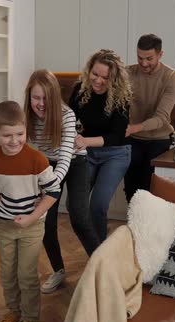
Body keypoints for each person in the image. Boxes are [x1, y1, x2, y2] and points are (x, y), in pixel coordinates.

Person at [0, 100, 61, 322]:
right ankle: (14, 310)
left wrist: (33, 217)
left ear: (26, 130)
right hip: (4, 225)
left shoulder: (37, 159)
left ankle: (31, 319)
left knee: (26, 273)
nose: (14, 141)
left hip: (32, 227)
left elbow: (54, 192)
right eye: (7, 136)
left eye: (20, 134)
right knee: (7, 272)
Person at [23, 69, 101, 294]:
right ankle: (58, 270)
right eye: (36, 97)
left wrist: (50, 191)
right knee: (46, 220)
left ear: (55, 96)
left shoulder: (66, 115)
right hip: (48, 164)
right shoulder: (26, 116)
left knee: (79, 216)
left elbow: (66, 157)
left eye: (46, 98)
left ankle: (102, 269)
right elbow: (28, 153)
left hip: (75, 163)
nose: (41, 103)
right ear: (29, 96)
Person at [68, 49, 132, 243]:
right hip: (87, 152)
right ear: (89, 70)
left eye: (105, 77)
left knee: (98, 205)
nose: (98, 80)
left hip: (116, 153)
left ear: (114, 79)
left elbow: (117, 135)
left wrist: (85, 140)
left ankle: (99, 254)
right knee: (75, 205)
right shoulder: (80, 89)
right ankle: (92, 242)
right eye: (95, 74)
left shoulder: (122, 96)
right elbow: (70, 118)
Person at [124, 33, 175, 202]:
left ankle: (148, 227)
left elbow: (162, 117)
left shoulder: (171, 77)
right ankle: (134, 226)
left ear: (160, 54)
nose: (143, 63)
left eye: (149, 58)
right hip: (133, 140)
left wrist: (135, 127)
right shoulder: (127, 73)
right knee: (131, 190)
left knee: (149, 191)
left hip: (159, 140)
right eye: (140, 57)